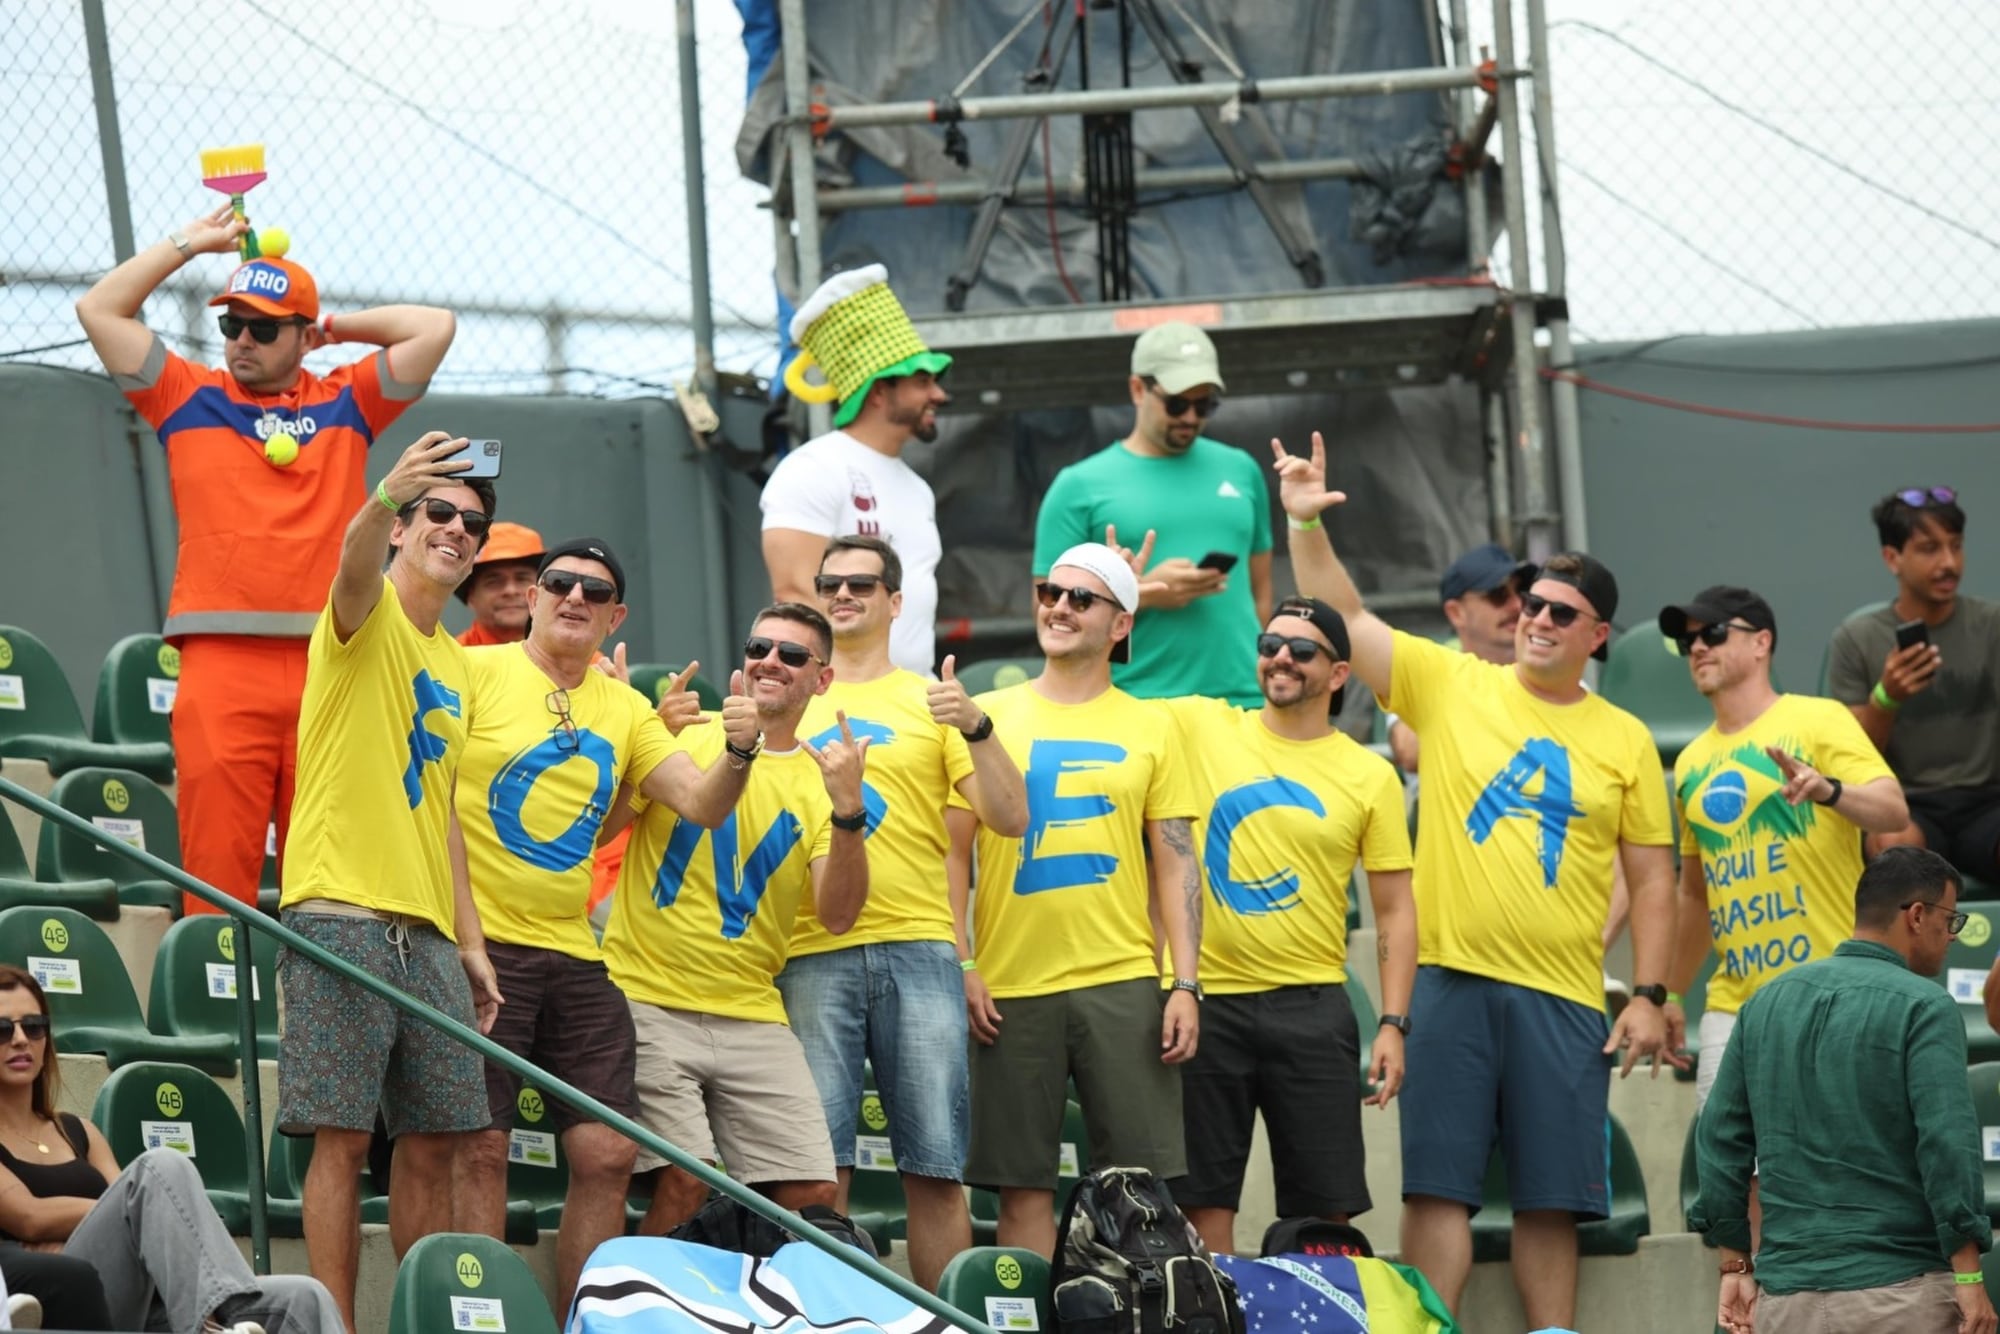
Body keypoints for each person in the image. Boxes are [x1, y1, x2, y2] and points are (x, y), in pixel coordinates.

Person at [1277, 431, 1675, 1328]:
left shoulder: (1625, 739)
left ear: (1598, 635)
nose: (1537, 619)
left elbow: (1654, 882)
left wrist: (1648, 993)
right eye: (1532, 604)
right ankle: (1431, 1327)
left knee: (1549, 1198)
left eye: (1561, 613)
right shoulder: (1452, 683)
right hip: (1450, 982)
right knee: (1437, 1190)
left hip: (1565, 993)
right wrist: (1305, 524)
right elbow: (1346, 618)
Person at [75, 205, 456, 916]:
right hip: (220, 665)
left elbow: (434, 327)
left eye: (264, 327)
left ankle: (317, 1026)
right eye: (230, 324)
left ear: (304, 337)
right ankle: (220, 1019)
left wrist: (332, 328)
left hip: (330, 664)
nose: (241, 340)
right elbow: (99, 308)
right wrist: (191, 243)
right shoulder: (184, 394)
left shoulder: (347, 400)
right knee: (217, 880)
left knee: (329, 881)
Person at [450, 537, 755, 1316]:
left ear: (616, 615)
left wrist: (741, 749)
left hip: (575, 953)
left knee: (610, 1151)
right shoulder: (472, 671)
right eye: (560, 583)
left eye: (595, 591)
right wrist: (464, 937)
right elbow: (430, 800)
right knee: (480, 1147)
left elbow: (702, 802)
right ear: (536, 597)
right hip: (481, 947)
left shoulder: (625, 708)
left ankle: (586, 1320)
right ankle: (482, 1321)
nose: (575, 598)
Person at [276, 430, 503, 1332]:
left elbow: (442, 807)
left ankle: (420, 1314)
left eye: (472, 524)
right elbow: (353, 565)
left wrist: (471, 940)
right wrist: (383, 495)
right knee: (342, 1137)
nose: (456, 529)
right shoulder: (362, 613)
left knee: (443, 1137)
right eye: (437, 514)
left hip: (428, 931)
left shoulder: (457, 661)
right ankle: (334, 1321)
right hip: (340, 909)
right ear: (405, 529)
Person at [773, 535, 1026, 1290]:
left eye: (861, 583)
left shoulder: (930, 700)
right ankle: (826, 1315)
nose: (843, 594)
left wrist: (977, 725)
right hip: (807, 946)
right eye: (830, 583)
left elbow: (1010, 820)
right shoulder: (785, 689)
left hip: (920, 948)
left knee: (935, 1169)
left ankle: (943, 1321)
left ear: (895, 602)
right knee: (819, 1174)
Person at [955, 542, 1203, 1256]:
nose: (1058, 607)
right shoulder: (986, 714)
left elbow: (1176, 862)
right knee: (1021, 1190)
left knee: (1141, 1190)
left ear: (1120, 625)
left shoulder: (1154, 724)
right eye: (1049, 592)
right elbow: (953, 852)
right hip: (1011, 983)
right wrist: (962, 962)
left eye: (1080, 598)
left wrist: (1183, 982)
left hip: (1121, 978)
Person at [1156, 592, 1418, 1255]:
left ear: (1337, 675)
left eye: (1302, 651)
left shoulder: (1369, 774)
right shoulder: (1202, 724)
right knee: (1200, 1205)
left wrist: (1392, 1022)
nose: (1281, 659)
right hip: (1203, 1003)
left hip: (1312, 1007)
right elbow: (1103, 682)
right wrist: (1135, 591)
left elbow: (1393, 908)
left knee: (1325, 1218)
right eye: (1270, 646)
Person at [601, 604, 870, 1236]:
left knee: (814, 1191)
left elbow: (836, 915)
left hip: (753, 1011)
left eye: (792, 654)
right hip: (648, 997)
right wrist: (618, 732)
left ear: (822, 680)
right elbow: (599, 833)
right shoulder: (682, 734)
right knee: (687, 1178)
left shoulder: (826, 779)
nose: (770, 661)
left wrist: (851, 811)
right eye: (759, 647)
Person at [1691, 848, 1995, 1334]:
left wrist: (1735, 1263)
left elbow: (1718, 1141)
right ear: (1917, 916)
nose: (1952, 936)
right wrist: (1970, 1273)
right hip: (1902, 1297)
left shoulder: (1763, 1003)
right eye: (1950, 919)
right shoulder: (1927, 1005)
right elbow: (1946, 1144)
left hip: (1784, 1303)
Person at [1655, 586, 1906, 1109]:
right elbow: (1696, 895)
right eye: (1688, 641)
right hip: (1733, 1005)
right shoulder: (1691, 762)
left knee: (1834, 1171)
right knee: (1734, 1179)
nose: (1697, 647)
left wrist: (1829, 791)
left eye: (1714, 633)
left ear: (1761, 642)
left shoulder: (1819, 718)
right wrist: (1671, 993)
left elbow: (1893, 810)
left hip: (1828, 988)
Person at [0, 964, 342, 1333]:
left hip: (142, 1296)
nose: (20, 1039)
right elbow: (30, 1218)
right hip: (72, 1293)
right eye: (3, 1029)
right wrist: (126, 1215)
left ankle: (215, 1311)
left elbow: (137, 1207)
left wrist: (131, 1215)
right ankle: (204, 1325)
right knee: (158, 1169)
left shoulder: (79, 1131)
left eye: (33, 1026)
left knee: (306, 1295)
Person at [1032, 323, 1272, 705]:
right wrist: (1138, 597)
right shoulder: (1078, 486)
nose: (1191, 417)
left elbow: (1260, 595)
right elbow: (1049, 616)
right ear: (1138, 389)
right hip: (1137, 703)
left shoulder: (1241, 469)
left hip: (1244, 704)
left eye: (1205, 404)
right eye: (1177, 403)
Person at [761, 266, 952, 675]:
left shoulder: (918, 489)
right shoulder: (812, 469)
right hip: (843, 702)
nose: (939, 394)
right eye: (922, 381)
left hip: (913, 698)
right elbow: (795, 597)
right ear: (880, 391)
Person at [1826, 487, 2000, 880]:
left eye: (1956, 546)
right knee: (1894, 850)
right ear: (1892, 558)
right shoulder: (1857, 639)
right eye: (1930, 549)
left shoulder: (1992, 626)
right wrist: (1887, 699)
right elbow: (1851, 763)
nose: (1949, 563)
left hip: (1989, 803)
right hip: (1907, 805)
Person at [1384, 542, 1535, 773]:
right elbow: (1411, 752)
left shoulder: (1553, 673)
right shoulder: (1427, 671)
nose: (1516, 605)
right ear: (1456, 613)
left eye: (1523, 592)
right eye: (1498, 595)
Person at [455, 522, 546, 646]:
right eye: (494, 582)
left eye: (522, 579)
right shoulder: (451, 659)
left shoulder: (572, 657)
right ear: (471, 596)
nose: (510, 591)